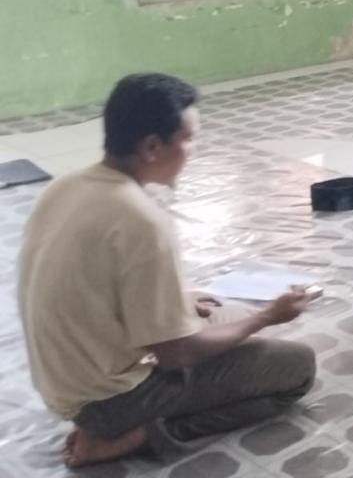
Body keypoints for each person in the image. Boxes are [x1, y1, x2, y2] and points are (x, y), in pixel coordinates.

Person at [17, 73, 316, 468]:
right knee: (297, 367)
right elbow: (178, 355)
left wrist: (182, 300)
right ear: (152, 147)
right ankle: (134, 437)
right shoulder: (143, 221)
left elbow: (93, 285)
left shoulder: (67, 186)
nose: (193, 150)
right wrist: (268, 316)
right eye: (188, 139)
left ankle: (113, 423)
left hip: (62, 385)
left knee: (224, 313)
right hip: (110, 401)